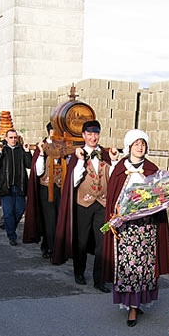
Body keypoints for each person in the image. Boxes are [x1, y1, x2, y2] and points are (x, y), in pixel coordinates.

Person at [102, 129, 169, 327]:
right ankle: (131, 307)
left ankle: (136, 303)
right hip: (126, 228)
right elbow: (113, 196)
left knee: (144, 267)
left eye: (142, 144)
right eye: (136, 144)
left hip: (147, 227)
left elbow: (160, 194)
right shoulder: (119, 169)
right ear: (129, 146)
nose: (140, 147)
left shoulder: (151, 169)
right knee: (129, 267)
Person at [52, 120, 119, 293]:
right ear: (83, 136)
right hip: (83, 203)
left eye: (95, 134)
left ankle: (99, 279)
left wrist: (114, 161)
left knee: (102, 243)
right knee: (81, 240)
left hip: (102, 204)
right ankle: (79, 272)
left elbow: (113, 179)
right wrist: (81, 161)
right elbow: (73, 182)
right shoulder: (77, 155)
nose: (93, 137)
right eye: (89, 134)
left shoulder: (105, 154)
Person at [23, 122, 62, 259]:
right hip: (46, 188)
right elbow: (38, 171)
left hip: (60, 188)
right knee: (50, 219)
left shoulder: (64, 146)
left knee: (58, 218)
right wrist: (40, 154)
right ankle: (52, 248)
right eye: (56, 131)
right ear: (50, 132)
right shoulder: (42, 146)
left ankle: (48, 244)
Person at [0, 129, 32, 246]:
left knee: (19, 210)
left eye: (15, 137)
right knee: (8, 212)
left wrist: (27, 151)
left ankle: (9, 225)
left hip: (20, 186)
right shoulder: (2, 150)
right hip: (6, 186)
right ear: (6, 138)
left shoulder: (21, 150)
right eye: (11, 137)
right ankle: (11, 235)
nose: (13, 140)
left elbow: (29, 164)